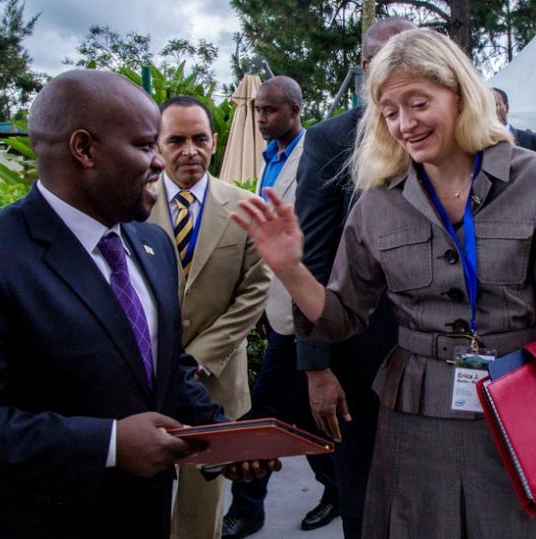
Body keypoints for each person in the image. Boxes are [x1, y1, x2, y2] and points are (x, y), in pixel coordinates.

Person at [232, 29, 536, 537]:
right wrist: (290, 269)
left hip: (518, 406)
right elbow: (341, 315)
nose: (404, 124)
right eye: (389, 112)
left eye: (418, 104)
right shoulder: (376, 202)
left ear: (460, 94)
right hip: (414, 417)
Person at [0, 70, 234, 539]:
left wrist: (225, 438)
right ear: (84, 149)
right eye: (144, 145)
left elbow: (163, 370)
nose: (161, 161)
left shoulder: (153, 245)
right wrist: (109, 444)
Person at [293, 16, 413, 539]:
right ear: (364, 67)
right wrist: (316, 366)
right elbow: (312, 258)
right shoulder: (331, 139)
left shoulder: (452, 136)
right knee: (364, 497)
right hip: (358, 355)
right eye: (383, 59)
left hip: (440, 357)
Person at [148, 95, 272, 539]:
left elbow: (255, 290)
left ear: (214, 142)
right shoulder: (132, 207)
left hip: (215, 382)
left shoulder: (246, 207)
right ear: (157, 144)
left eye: (199, 139)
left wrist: (202, 356)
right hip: (146, 381)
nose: (190, 151)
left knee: (202, 511)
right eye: (176, 140)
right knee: (143, 500)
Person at [222, 75, 340, 539]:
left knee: (265, 411)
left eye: (269, 110)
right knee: (307, 415)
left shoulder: (316, 153)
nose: (261, 118)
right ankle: (338, 489)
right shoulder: (269, 158)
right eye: (257, 110)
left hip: (304, 310)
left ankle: (247, 506)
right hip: (274, 309)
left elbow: (317, 241)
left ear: (295, 109)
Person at [491, 87, 536, 153]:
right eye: (485, 106)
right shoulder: (479, 144)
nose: (490, 109)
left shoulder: (532, 141)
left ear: (507, 108)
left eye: (495, 104)